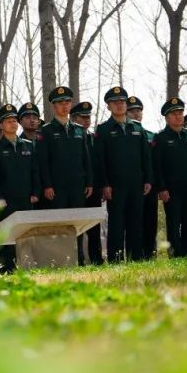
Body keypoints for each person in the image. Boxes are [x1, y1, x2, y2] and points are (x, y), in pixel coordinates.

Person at [94, 87, 152, 263]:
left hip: (136, 183)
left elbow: (146, 156)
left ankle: (136, 258)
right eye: (115, 102)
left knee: (136, 222)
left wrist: (148, 179)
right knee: (117, 223)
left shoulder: (137, 128)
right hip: (115, 185)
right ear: (108, 106)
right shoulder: (103, 129)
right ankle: (115, 259)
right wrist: (104, 184)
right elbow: (100, 160)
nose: (119, 105)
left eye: (122, 102)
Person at [35, 87, 93, 264]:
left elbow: (86, 158)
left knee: (77, 224)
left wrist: (89, 182)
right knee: (59, 224)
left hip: (77, 185)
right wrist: (47, 185)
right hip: (57, 187)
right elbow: (43, 162)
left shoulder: (78, 130)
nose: (64, 106)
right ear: (53, 106)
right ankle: (61, 260)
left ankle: (80, 259)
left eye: (67, 102)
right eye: (60, 103)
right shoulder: (46, 131)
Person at [0, 104, 39, 272]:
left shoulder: (27, 145)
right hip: (6, 200)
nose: (13, 124)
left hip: (26, 197)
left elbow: (35, 171)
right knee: (8, 235)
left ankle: (27, 266)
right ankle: (7, 267)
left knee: (26, 233)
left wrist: (35, 191)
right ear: (1, 126)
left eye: (15, 121)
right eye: (9, 121)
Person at [152, 98, 187, 257]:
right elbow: (157, 166)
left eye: (180, 113)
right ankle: (176, 254)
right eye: (174, 114)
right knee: (174, 223)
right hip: (171, 190)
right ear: (166, 117)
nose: (178, 117)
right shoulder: (160, 138)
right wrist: (162, 188)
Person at [71, 100, 104, 265]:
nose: (86, 120)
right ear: (73, 118)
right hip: (76, 188)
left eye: (88, 117)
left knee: (94, 227)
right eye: (82, 117)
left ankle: (97, 258)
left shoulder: (93, 138)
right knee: (76, 226)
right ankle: (79, 260)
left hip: (94, 188)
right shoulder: (71, 137)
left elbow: (99, 163)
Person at [126, 95, 158, 259]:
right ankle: (133, 253)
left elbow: (156, 162)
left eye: (138, 110)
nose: (136, 114)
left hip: (150, 185)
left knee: (150, 221)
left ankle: (151, 253)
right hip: (132, 184)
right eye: (132, 111)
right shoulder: (126, 134)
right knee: (133, 221)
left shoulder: (152, 136)